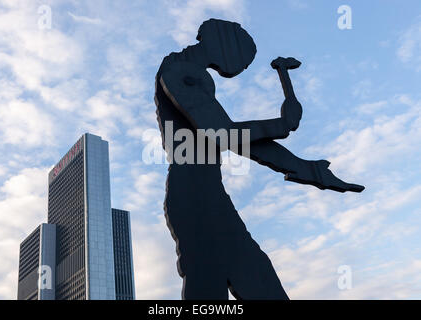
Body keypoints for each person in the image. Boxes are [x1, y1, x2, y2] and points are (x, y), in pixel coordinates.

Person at [154, 18, 364, 300]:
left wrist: (307, 169)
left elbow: (243, 142)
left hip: (209, 196)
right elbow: (223, 133)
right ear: (223, 44)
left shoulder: (194, 75)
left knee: (259, 281)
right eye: (244, 59)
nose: (242, 68)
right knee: (212, 288)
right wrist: (280, 125)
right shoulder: (179, 72)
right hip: (195, 199)